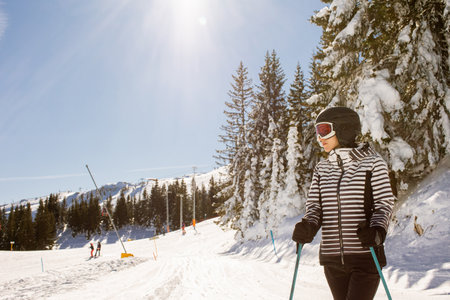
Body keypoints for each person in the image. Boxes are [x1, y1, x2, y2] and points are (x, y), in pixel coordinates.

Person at [292, 107, 394, 300]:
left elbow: (384, 204)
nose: (320, 137)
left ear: (343, 128)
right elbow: (315, 208)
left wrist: (377, 231)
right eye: (317, 132)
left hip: (366, 255)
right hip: (332, 261)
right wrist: (308, 226)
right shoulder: (322, 169)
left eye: (324, 130)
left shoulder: (372, 163)